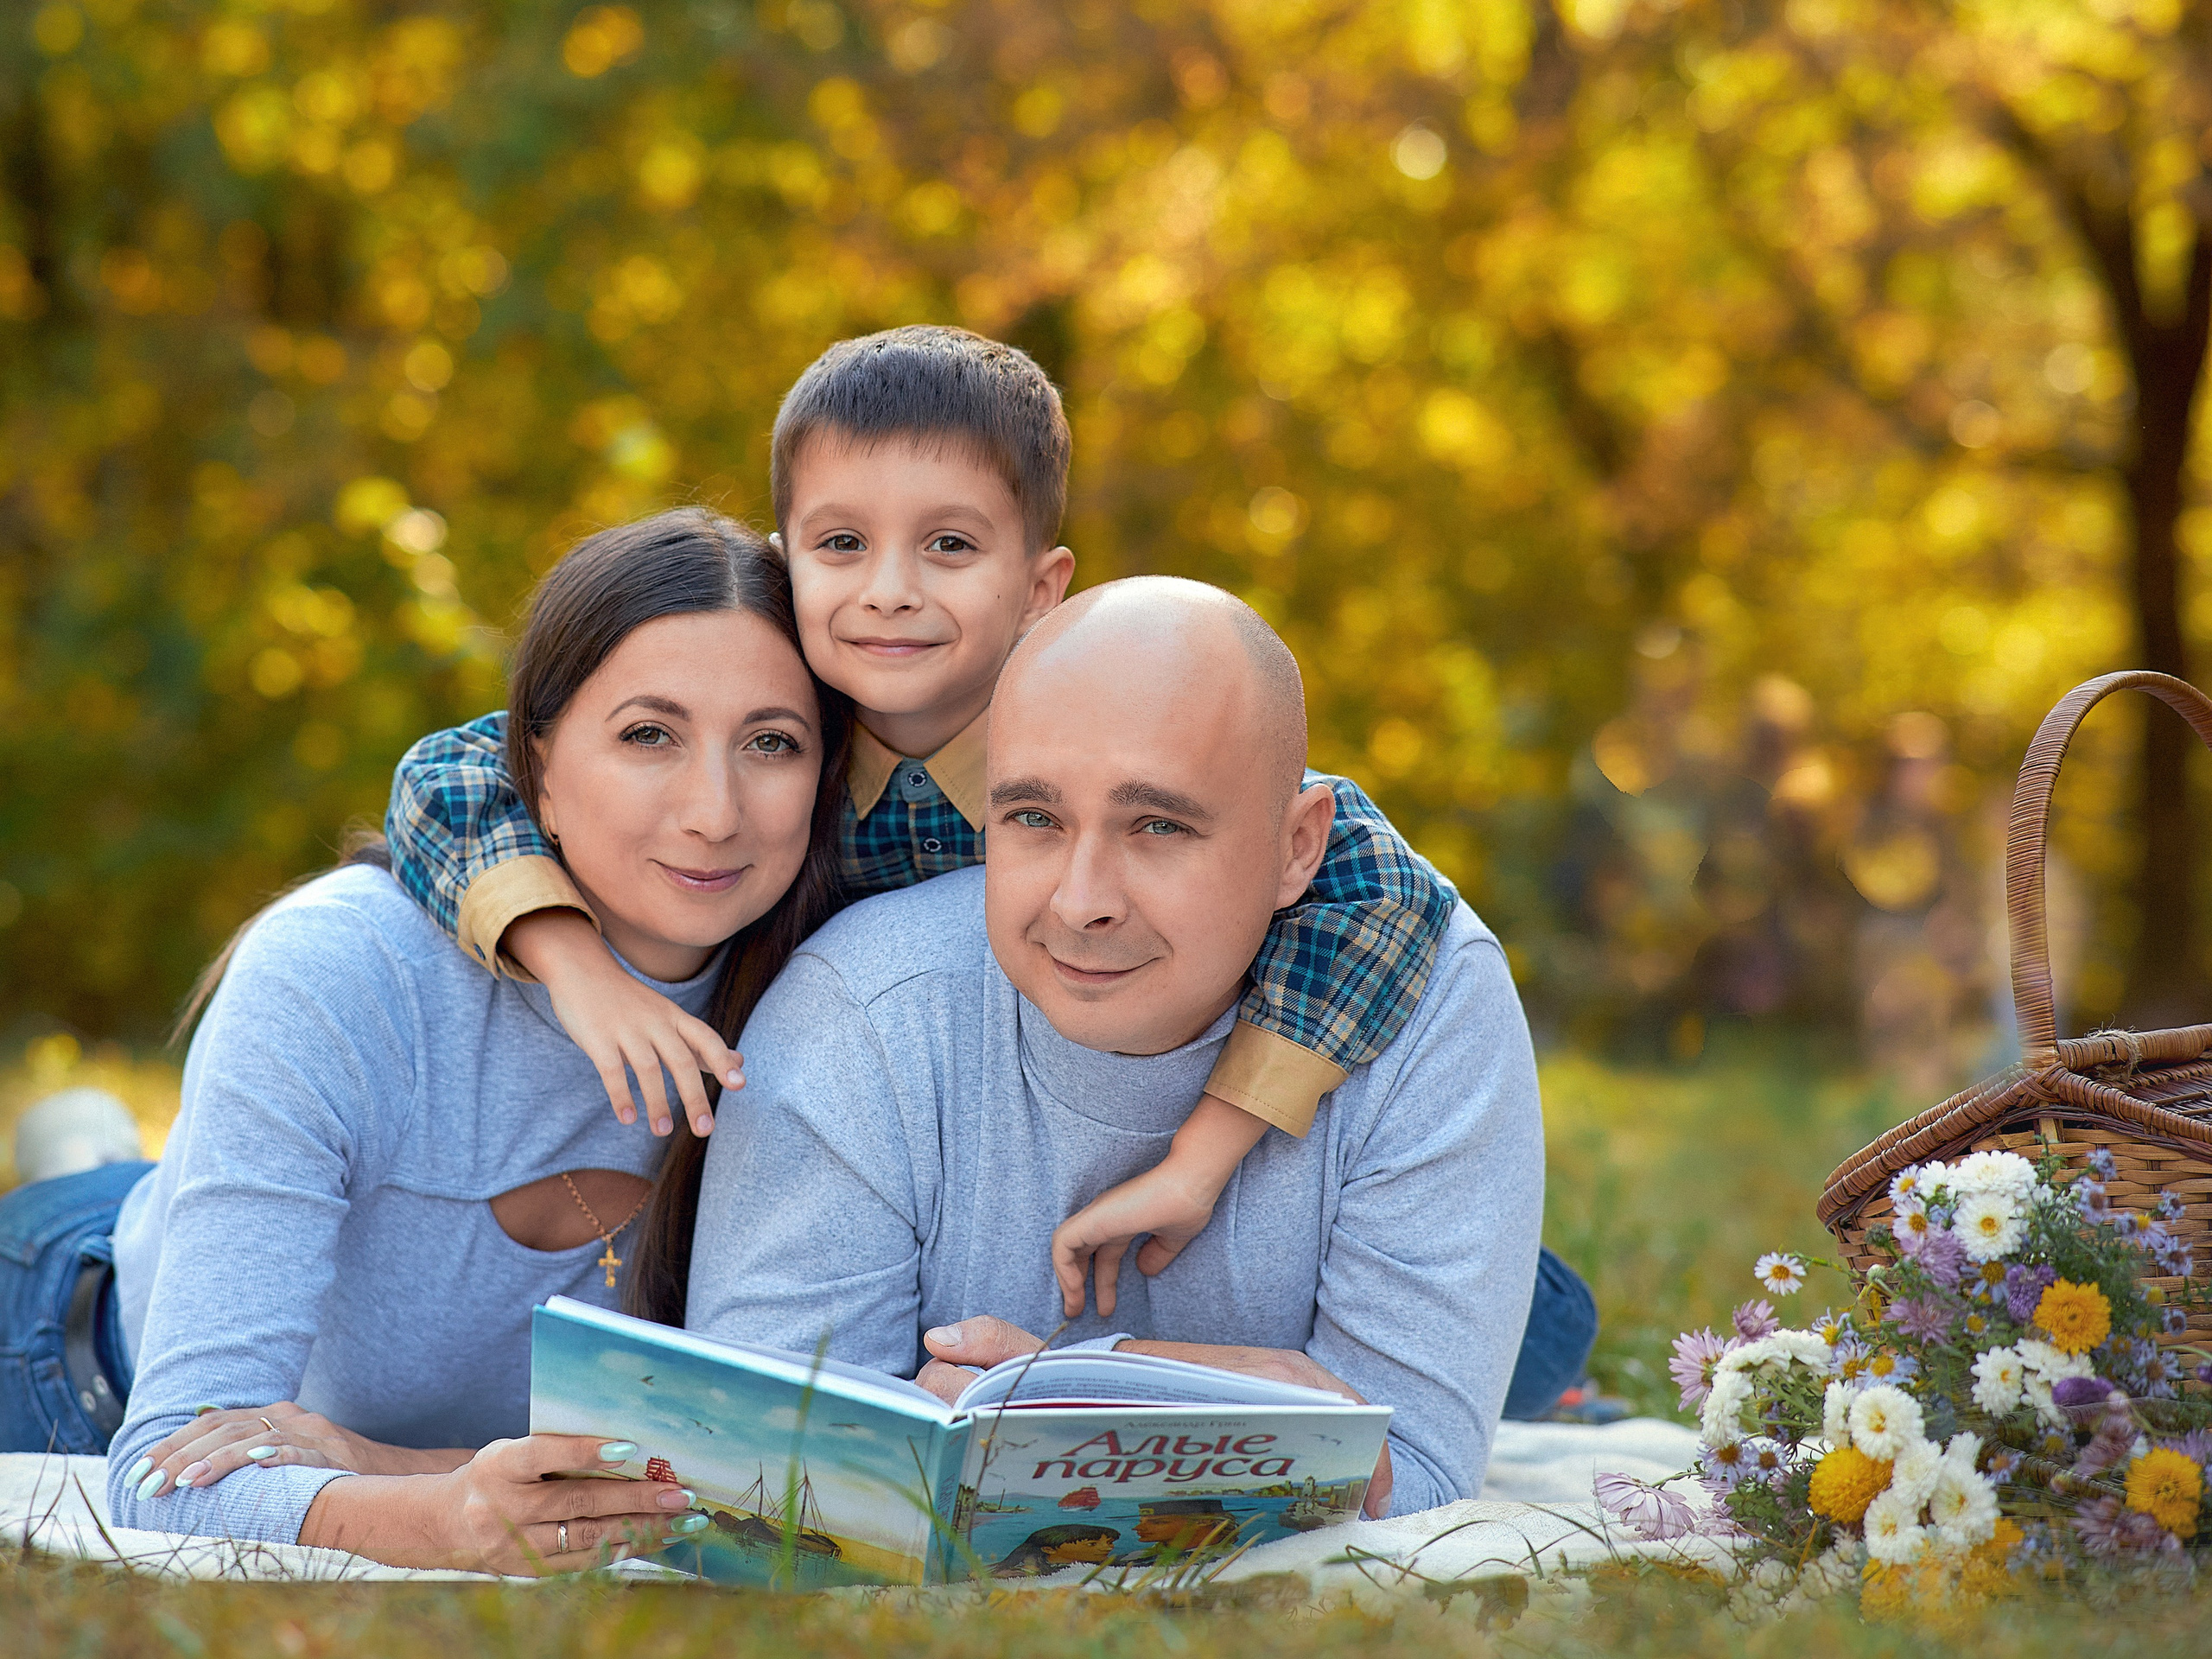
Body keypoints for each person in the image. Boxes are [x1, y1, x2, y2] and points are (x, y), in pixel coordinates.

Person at [378, 327, 1593, 1401]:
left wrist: (1207, 1152)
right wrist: (575, 963)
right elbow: (455, 775)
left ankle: (1554, 1374)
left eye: (949, 545)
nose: (891, 593)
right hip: (901, 1151)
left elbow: (1388, 907)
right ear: (785, 561)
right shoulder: (776, 728)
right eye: (843, 544)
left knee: (1514, 1355)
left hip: (1251, 1204)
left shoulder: (1110, 730)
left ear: (1041, 585)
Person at [0, 509, 848, 1572]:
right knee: (98, 1213)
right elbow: (166, 1460)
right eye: (648, 735)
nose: (715, 812)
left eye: (772, 743)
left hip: (360, 1427)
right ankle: (89, 1162)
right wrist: (442, 1518)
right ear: (533, 765)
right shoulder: (336, 970)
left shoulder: (831, 1005)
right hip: (68, 1357)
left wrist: (394, 1468)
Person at [688, 579, 1549, 1516]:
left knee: (1549, 1341)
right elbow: (751, 1469)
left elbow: (1416, 1481)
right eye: (1034, 819)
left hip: (1480, 1266)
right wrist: (1183, 1407)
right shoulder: (858, 1012)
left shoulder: (1431, 1003)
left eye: (1158, 826)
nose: (1079, 901)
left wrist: (1081, 1393)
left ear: (1299, 848)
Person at [989, 1522, 1119, 1576]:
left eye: (1109, 1542)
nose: (1109, 1547)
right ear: (1049, 1549)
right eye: (1091, 1544)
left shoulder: (1116, 1564)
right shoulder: (1021, 1572)